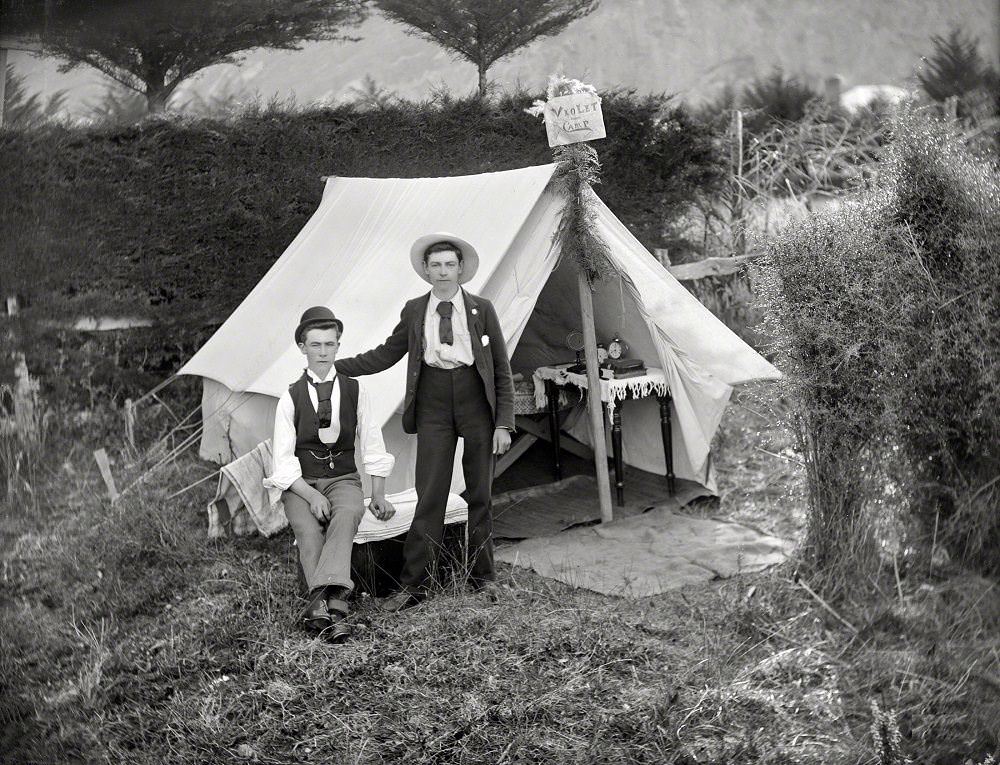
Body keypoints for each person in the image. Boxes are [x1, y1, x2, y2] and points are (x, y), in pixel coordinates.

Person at [335, 233, 514, 610]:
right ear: (426, 271)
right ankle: (414, 585)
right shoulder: (415, 310)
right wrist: (336, 366)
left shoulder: (482, 308)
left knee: (480, 493)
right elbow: (386, 353)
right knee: (430, 493)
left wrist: (503, 423)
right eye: (436, 265)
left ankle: (484, 578)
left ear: (462, 269)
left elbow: (501, 368)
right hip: (433, 402)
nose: (443, 272)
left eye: (450, 265)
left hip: (476, 403)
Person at [264, 306, 397, 642]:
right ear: (302, 348)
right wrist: (310, 495)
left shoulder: (355, 391)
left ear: (338, 346)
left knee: (350, 511)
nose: (323, 352)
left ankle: (320, 602)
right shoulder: (290, 398)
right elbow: (282, 462)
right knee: (308, 530)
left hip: (343, 478)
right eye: (315, 345)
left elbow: (371, 442)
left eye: (329, 344)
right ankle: (333, 604)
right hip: (300, 483)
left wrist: (378, 493)